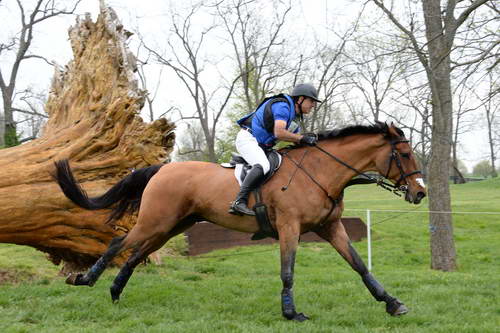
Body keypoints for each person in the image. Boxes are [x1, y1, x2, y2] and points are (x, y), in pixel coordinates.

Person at [228, 83, 322, 216]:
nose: (313, 105)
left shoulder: (295, 118)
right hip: (248, 138)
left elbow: (295, 139)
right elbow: (279, 133)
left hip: (262, 146)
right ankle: (239, 202)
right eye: (311, 101)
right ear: (300, 99)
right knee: (263, 165)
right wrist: (301, 138)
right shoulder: (283, 106)